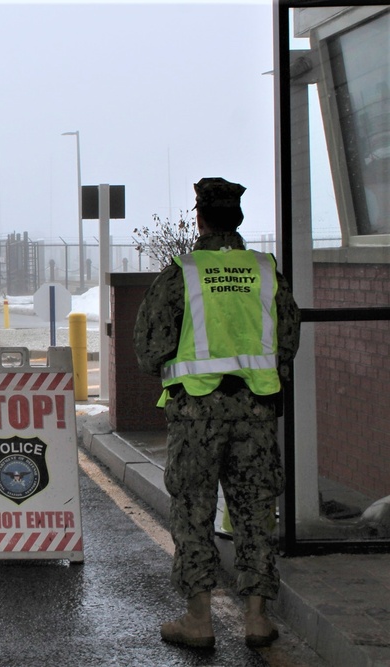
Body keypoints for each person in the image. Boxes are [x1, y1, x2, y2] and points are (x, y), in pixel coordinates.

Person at [133, 177, 301, 649]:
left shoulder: (183, 273)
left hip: (196, 417)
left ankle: (199, 620)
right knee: (254, 513)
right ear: (239, 220)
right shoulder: (267, 271)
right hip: (256, 413)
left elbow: (149, 350)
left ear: (200, 218)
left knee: (193, 512)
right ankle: (256, 619)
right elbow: (287, 341)